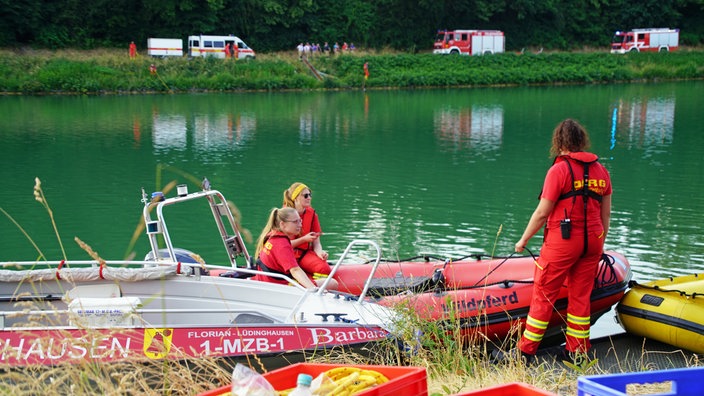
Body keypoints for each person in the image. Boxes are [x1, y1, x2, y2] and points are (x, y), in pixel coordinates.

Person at [503, 119, 612, 364]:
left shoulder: (559, 170)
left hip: (563, 243)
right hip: (592, 241)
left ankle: (524, 352)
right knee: (581, 298)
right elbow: (606, 214)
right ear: (582, 141)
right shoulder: (601, 171)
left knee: (544, 295)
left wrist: (523, 240)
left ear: (559, 142)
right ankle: (577, 352)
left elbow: (542, 212)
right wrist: (600, 243)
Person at [283, 182, 338, 290]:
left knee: (323, 268)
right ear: (296, 197)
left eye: (310, 195)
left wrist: (320, 253)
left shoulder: (312, 214)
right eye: (306, 195)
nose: (309, 198)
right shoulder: (283, 215)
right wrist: (304, 239)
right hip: (286, 254)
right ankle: (297, 285)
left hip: (303, 254)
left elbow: (316, 242)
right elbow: (282, 245)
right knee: (287, 272)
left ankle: (315, 287)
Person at [252, 207, 319, 290]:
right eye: (295, 222)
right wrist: (313, 288)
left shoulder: (271, 235)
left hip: (267, 282)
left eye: (300, 220)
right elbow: (295, 270)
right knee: (332, 283)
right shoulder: (282, 244)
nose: (300, 225)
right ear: (282, 224)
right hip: (279, 286)